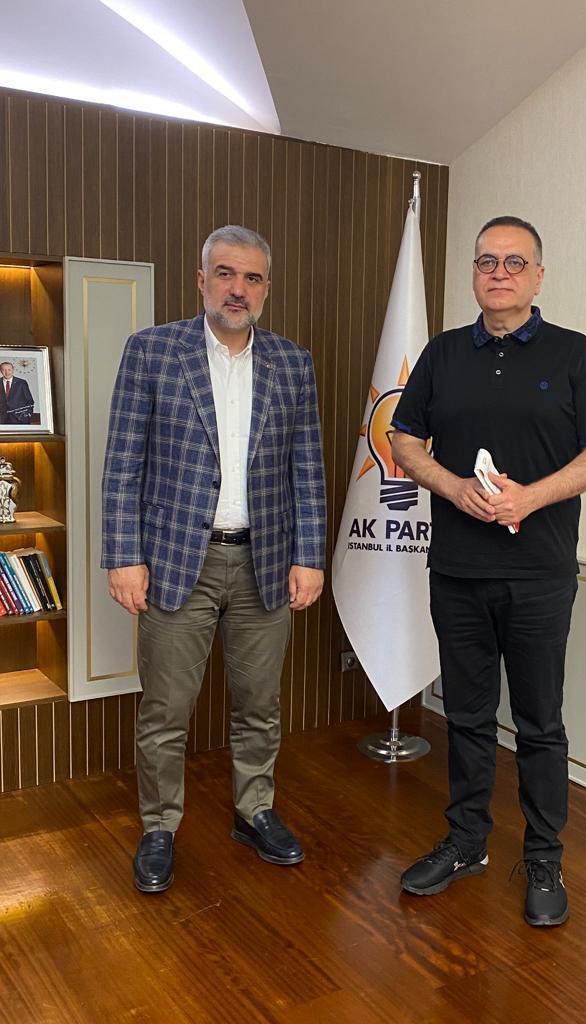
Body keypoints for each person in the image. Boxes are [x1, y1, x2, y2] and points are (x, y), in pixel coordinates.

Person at [391, 216, 586, 926]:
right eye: (486, 261)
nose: (499, 273)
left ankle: (544, 857)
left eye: (514, 262)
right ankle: (467, 843)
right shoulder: (442, 354)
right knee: (465, 716)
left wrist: (530, 497)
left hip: (539, 575)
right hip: (457, 570)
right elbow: (403, 439)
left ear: (538, 276)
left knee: (539, 723)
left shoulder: (575, 354)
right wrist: (452, 486)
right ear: (473, 272)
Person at [102, 225, 326, 894]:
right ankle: (158, 827)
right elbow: (123, 462)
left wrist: (309, 556)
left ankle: (254, 811)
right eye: (225, 274)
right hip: (177, 562)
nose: (238, 288)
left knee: (259, 703)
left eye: (251, 278)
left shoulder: (293, 363)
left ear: (266, 288)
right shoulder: (151, 351)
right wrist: (123, 556)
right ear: (201, 280)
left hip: (265, 560)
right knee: (166, 709)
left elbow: (306, 467)